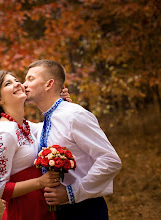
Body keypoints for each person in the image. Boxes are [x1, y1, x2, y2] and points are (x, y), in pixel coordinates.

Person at [23, 60, 122, 219]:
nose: (24, 84)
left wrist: (71, 193)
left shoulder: (74, 116)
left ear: (49, 84)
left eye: (30, 79)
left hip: (85, 211)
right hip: (57, 212)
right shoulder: (45, 124)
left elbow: (110, 160)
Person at [0, 70, 61, 220]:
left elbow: (54, 125)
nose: (18, 84)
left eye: (16, 80)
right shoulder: (4, 134)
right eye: (8, 83)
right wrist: (41, 182)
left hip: (40, 205)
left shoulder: (24, 126)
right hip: (24, 211)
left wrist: (62, 101)